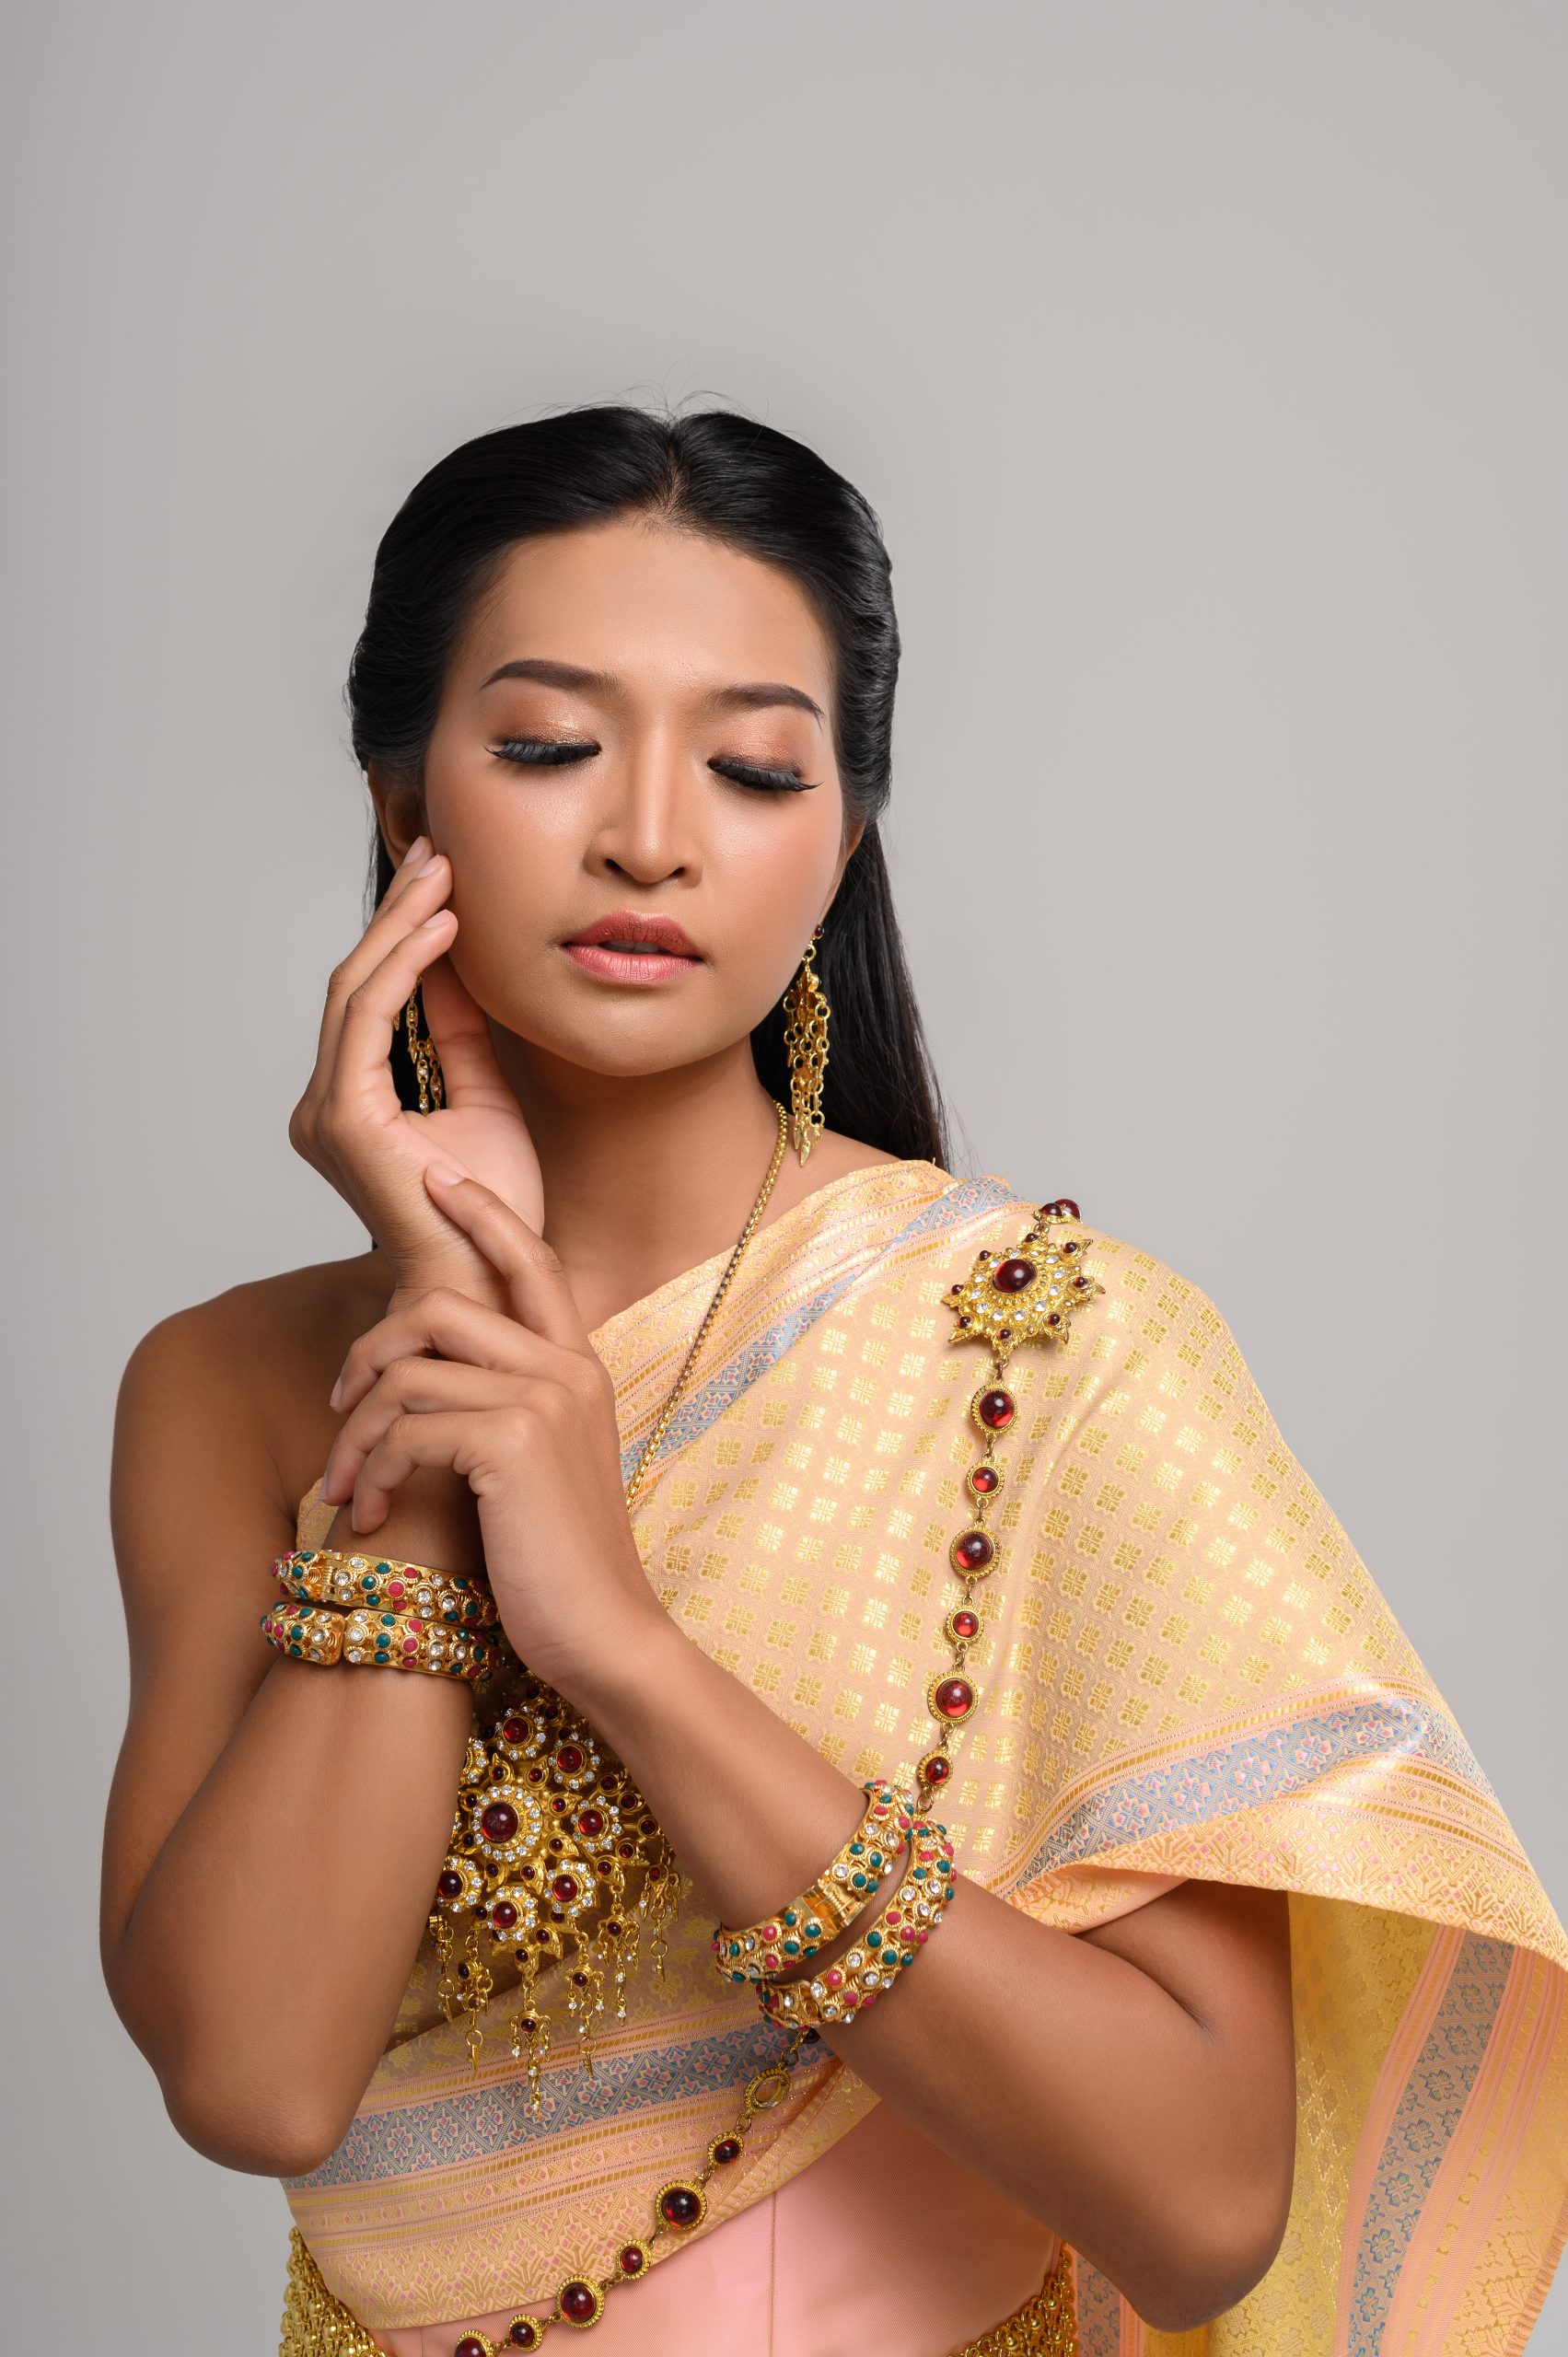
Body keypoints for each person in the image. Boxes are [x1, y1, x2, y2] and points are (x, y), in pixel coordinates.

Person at [99, 405, 1567, 2357]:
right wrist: (450, 1359)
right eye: (549, 745)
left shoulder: (1046, 1348)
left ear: (843, 834)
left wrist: (622, 1641)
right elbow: (255, 2079)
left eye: (754, 764)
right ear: (403, 803)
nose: (648, 830)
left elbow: (1206, 2206)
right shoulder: (232, 1382)